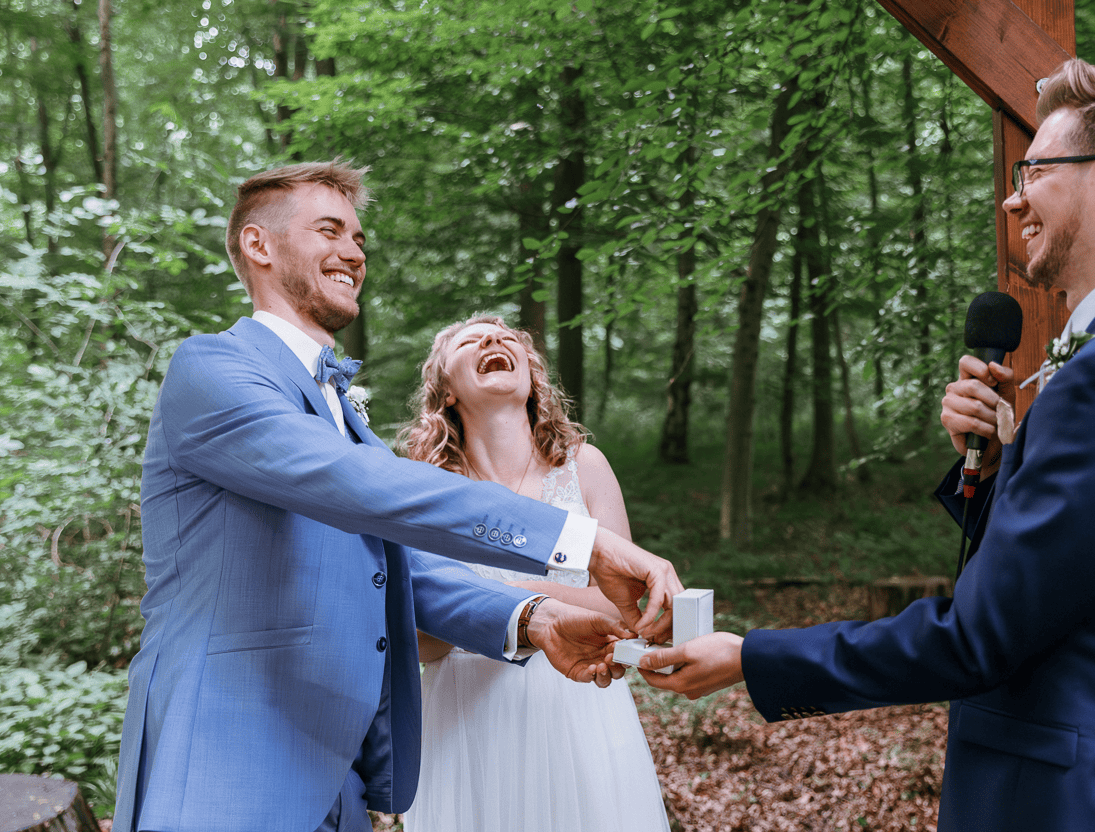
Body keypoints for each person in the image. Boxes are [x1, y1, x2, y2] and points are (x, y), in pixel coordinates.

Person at [639, 58, 1095, 831]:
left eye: (1034, 169)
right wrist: (996, 470)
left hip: (1073, 800)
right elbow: (1093, 584)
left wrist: (751, 658)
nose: (1012, 195)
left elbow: (980, 638)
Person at [113, 161, 683, 832]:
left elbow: (396, 565)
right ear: (258, 246)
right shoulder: (210, 371)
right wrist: (580, 544)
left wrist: (536, 619)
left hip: (341, 790)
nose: (354, 251)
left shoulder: (343, 417)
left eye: (359, 238)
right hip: (228, 774)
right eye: (330, 229)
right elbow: (366, 486)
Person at [395, 315, 668, 831]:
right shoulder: (421, 490)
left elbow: (622, 606)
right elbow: (421, 640)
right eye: (470, 339)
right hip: (465, 716)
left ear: (532, 376)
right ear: (446, 389)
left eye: (505, 336)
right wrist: (516, 610)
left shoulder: (585, 467)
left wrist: (503, 600)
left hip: (578, 706)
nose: (493, 338)